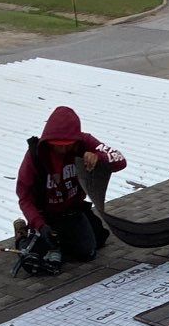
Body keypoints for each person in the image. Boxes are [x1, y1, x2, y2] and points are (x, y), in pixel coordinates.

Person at [15, 106, 126, 264]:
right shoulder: (35, 155)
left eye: (67, 144)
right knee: (35, 260)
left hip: (72, 212)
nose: (62, 148)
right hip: (45, 215)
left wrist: (98, 157)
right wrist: (39, 225)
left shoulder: (85, 142)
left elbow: (120, 160)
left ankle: (66, 239)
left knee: (88, 252)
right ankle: (22, 235)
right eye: (57, 144)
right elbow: (24, 197)